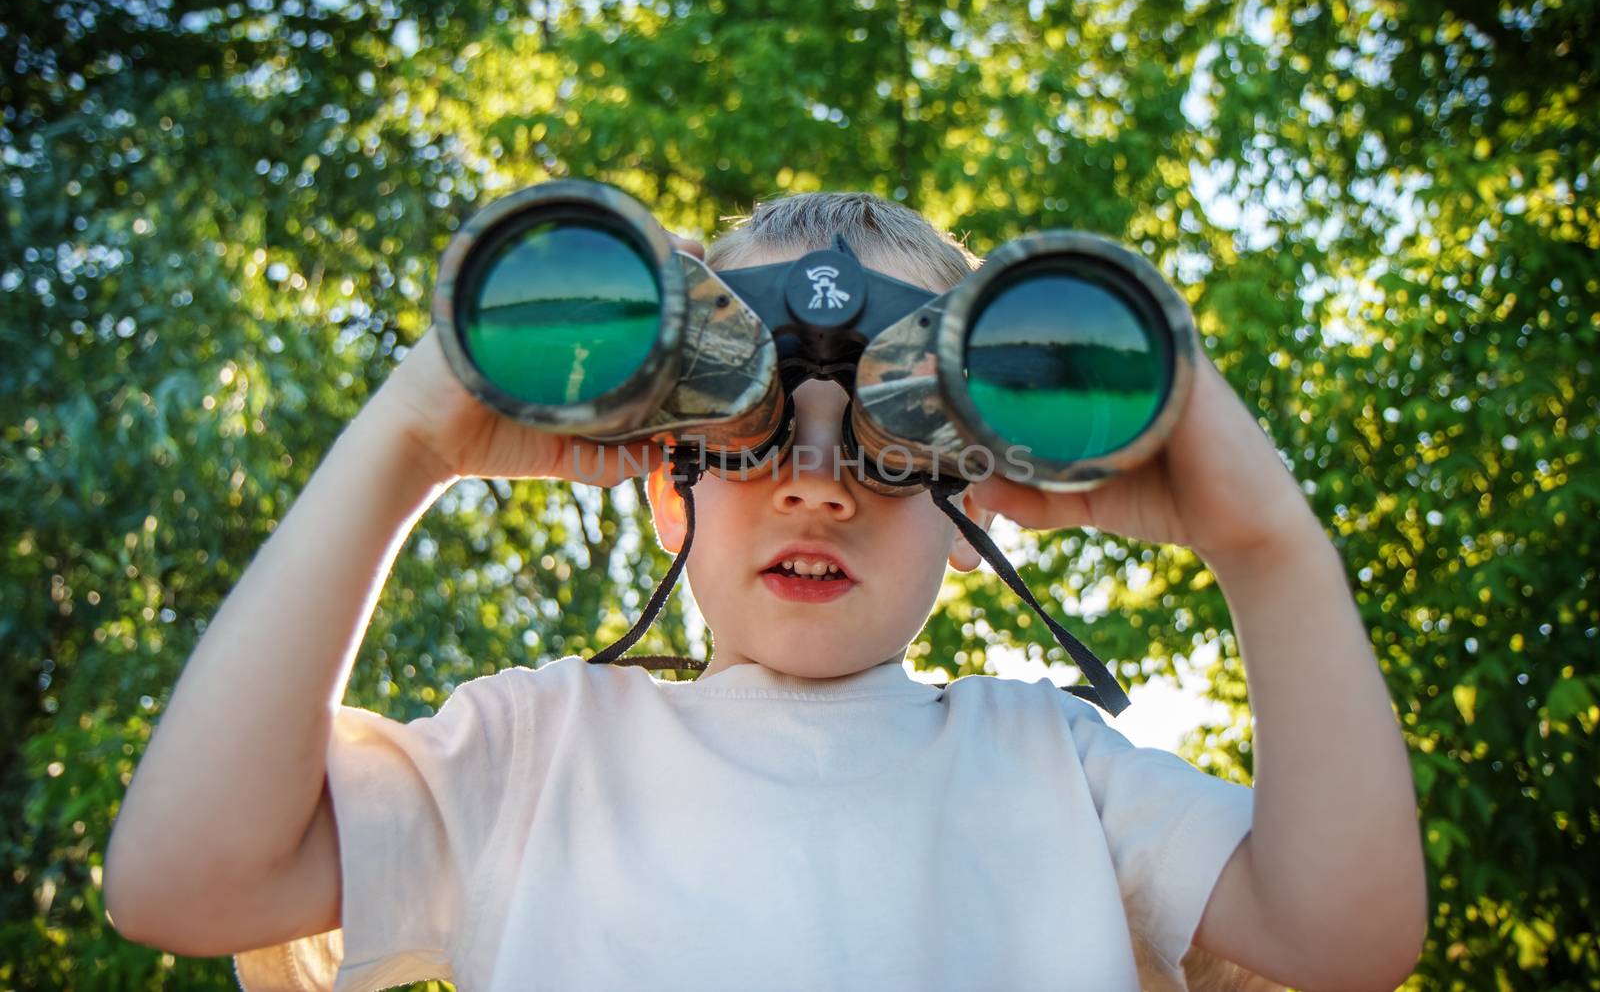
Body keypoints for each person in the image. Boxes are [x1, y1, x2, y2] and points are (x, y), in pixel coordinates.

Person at [103, 191, 1427, 992]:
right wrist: (407, 445)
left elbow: (1348, 938)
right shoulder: (535, 748)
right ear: (667, 481)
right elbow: (183, 882)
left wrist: (1269, 546)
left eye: (891, 444)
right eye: (747, 431)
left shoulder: (1056, 765)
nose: (816, 483)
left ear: (978, 509)